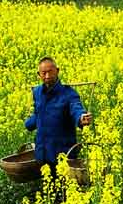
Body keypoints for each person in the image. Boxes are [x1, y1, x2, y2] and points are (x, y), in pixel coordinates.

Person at [24, 56, 92, 189]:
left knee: (65, 192)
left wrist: (81, 118)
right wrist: (30, 123)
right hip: (43, 152)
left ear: (57, 71)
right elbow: (39, 113)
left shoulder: (68, 94)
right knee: (48, 190)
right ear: (39, 74)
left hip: (62, 154)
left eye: (50, 71)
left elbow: (76, 108)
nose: (47, 76)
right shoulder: (37, 92)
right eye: (44, 73)